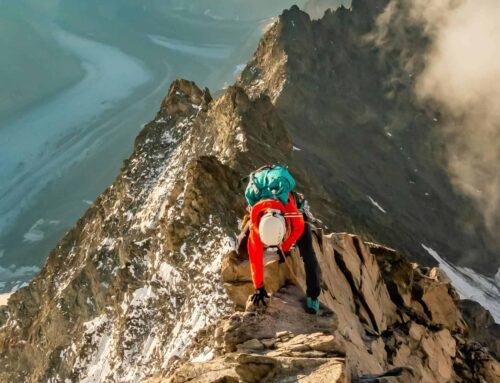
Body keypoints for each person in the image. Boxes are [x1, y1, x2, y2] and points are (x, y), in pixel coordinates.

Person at [241, 164, 321, 314]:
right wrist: (258, 287)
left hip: (287, 205)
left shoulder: (294, 214)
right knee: (242, 245)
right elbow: (255, 259)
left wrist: (283, 248)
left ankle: (313, 296)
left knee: (309, 255)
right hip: (263, 206)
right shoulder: (256, 229)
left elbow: (298, 230)